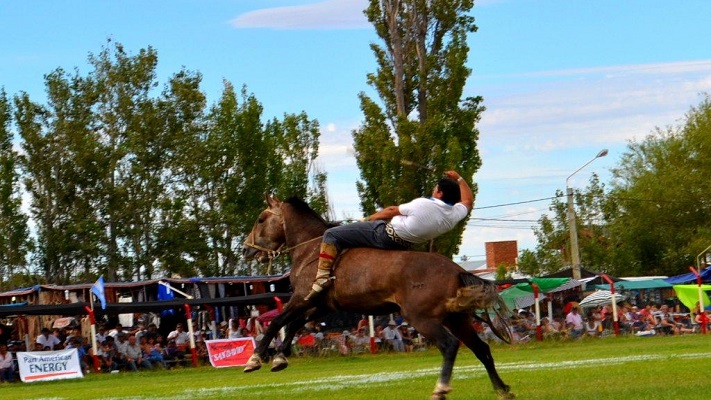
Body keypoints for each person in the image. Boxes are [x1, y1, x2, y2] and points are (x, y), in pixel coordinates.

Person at [304, 170, 474, 300]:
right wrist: (459, 178)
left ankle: (322, 277)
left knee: (331, 234)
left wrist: (368, 218)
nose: (433, 190)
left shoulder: (423, 203)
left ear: (440, 193)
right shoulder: (454, 214)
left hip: (383, 235)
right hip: (404, 245)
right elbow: (468, 201)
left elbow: (392, 211)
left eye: (435, 188)